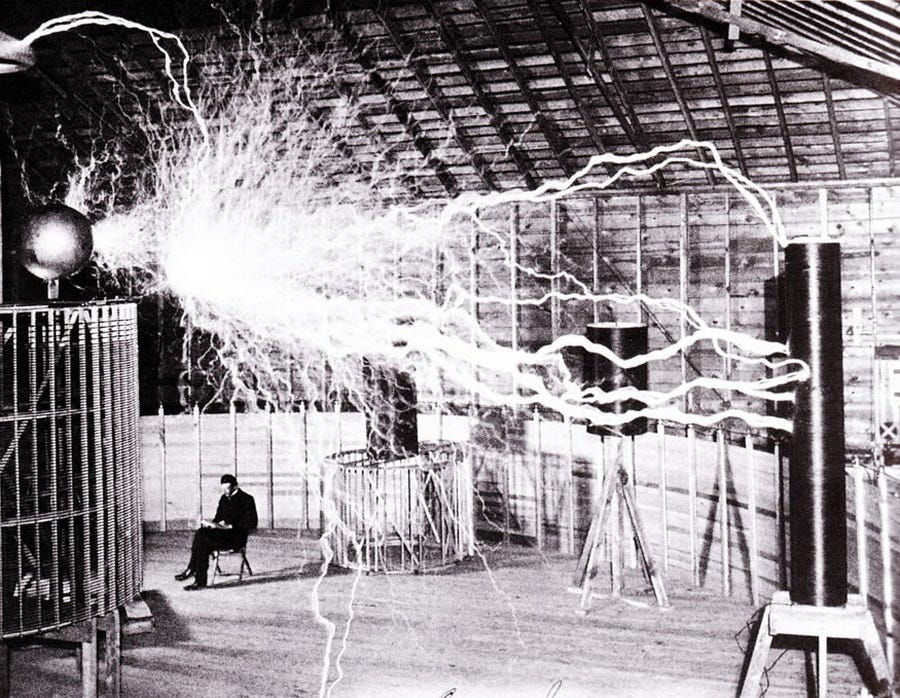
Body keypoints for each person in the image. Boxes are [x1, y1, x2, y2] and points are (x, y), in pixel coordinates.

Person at [175, 474, 258, 590]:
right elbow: (218, 518)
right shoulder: (223, 498)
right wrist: (212, 524)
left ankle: (194, 572)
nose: (225, 491)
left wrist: (231, 526)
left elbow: (252, 522)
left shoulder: (247, 499)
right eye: (223, 488)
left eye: (227, 488)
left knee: (202, 540)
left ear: (235, 486)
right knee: (201, 533)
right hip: (222, 534)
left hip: (236, 537)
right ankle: (197, 577)